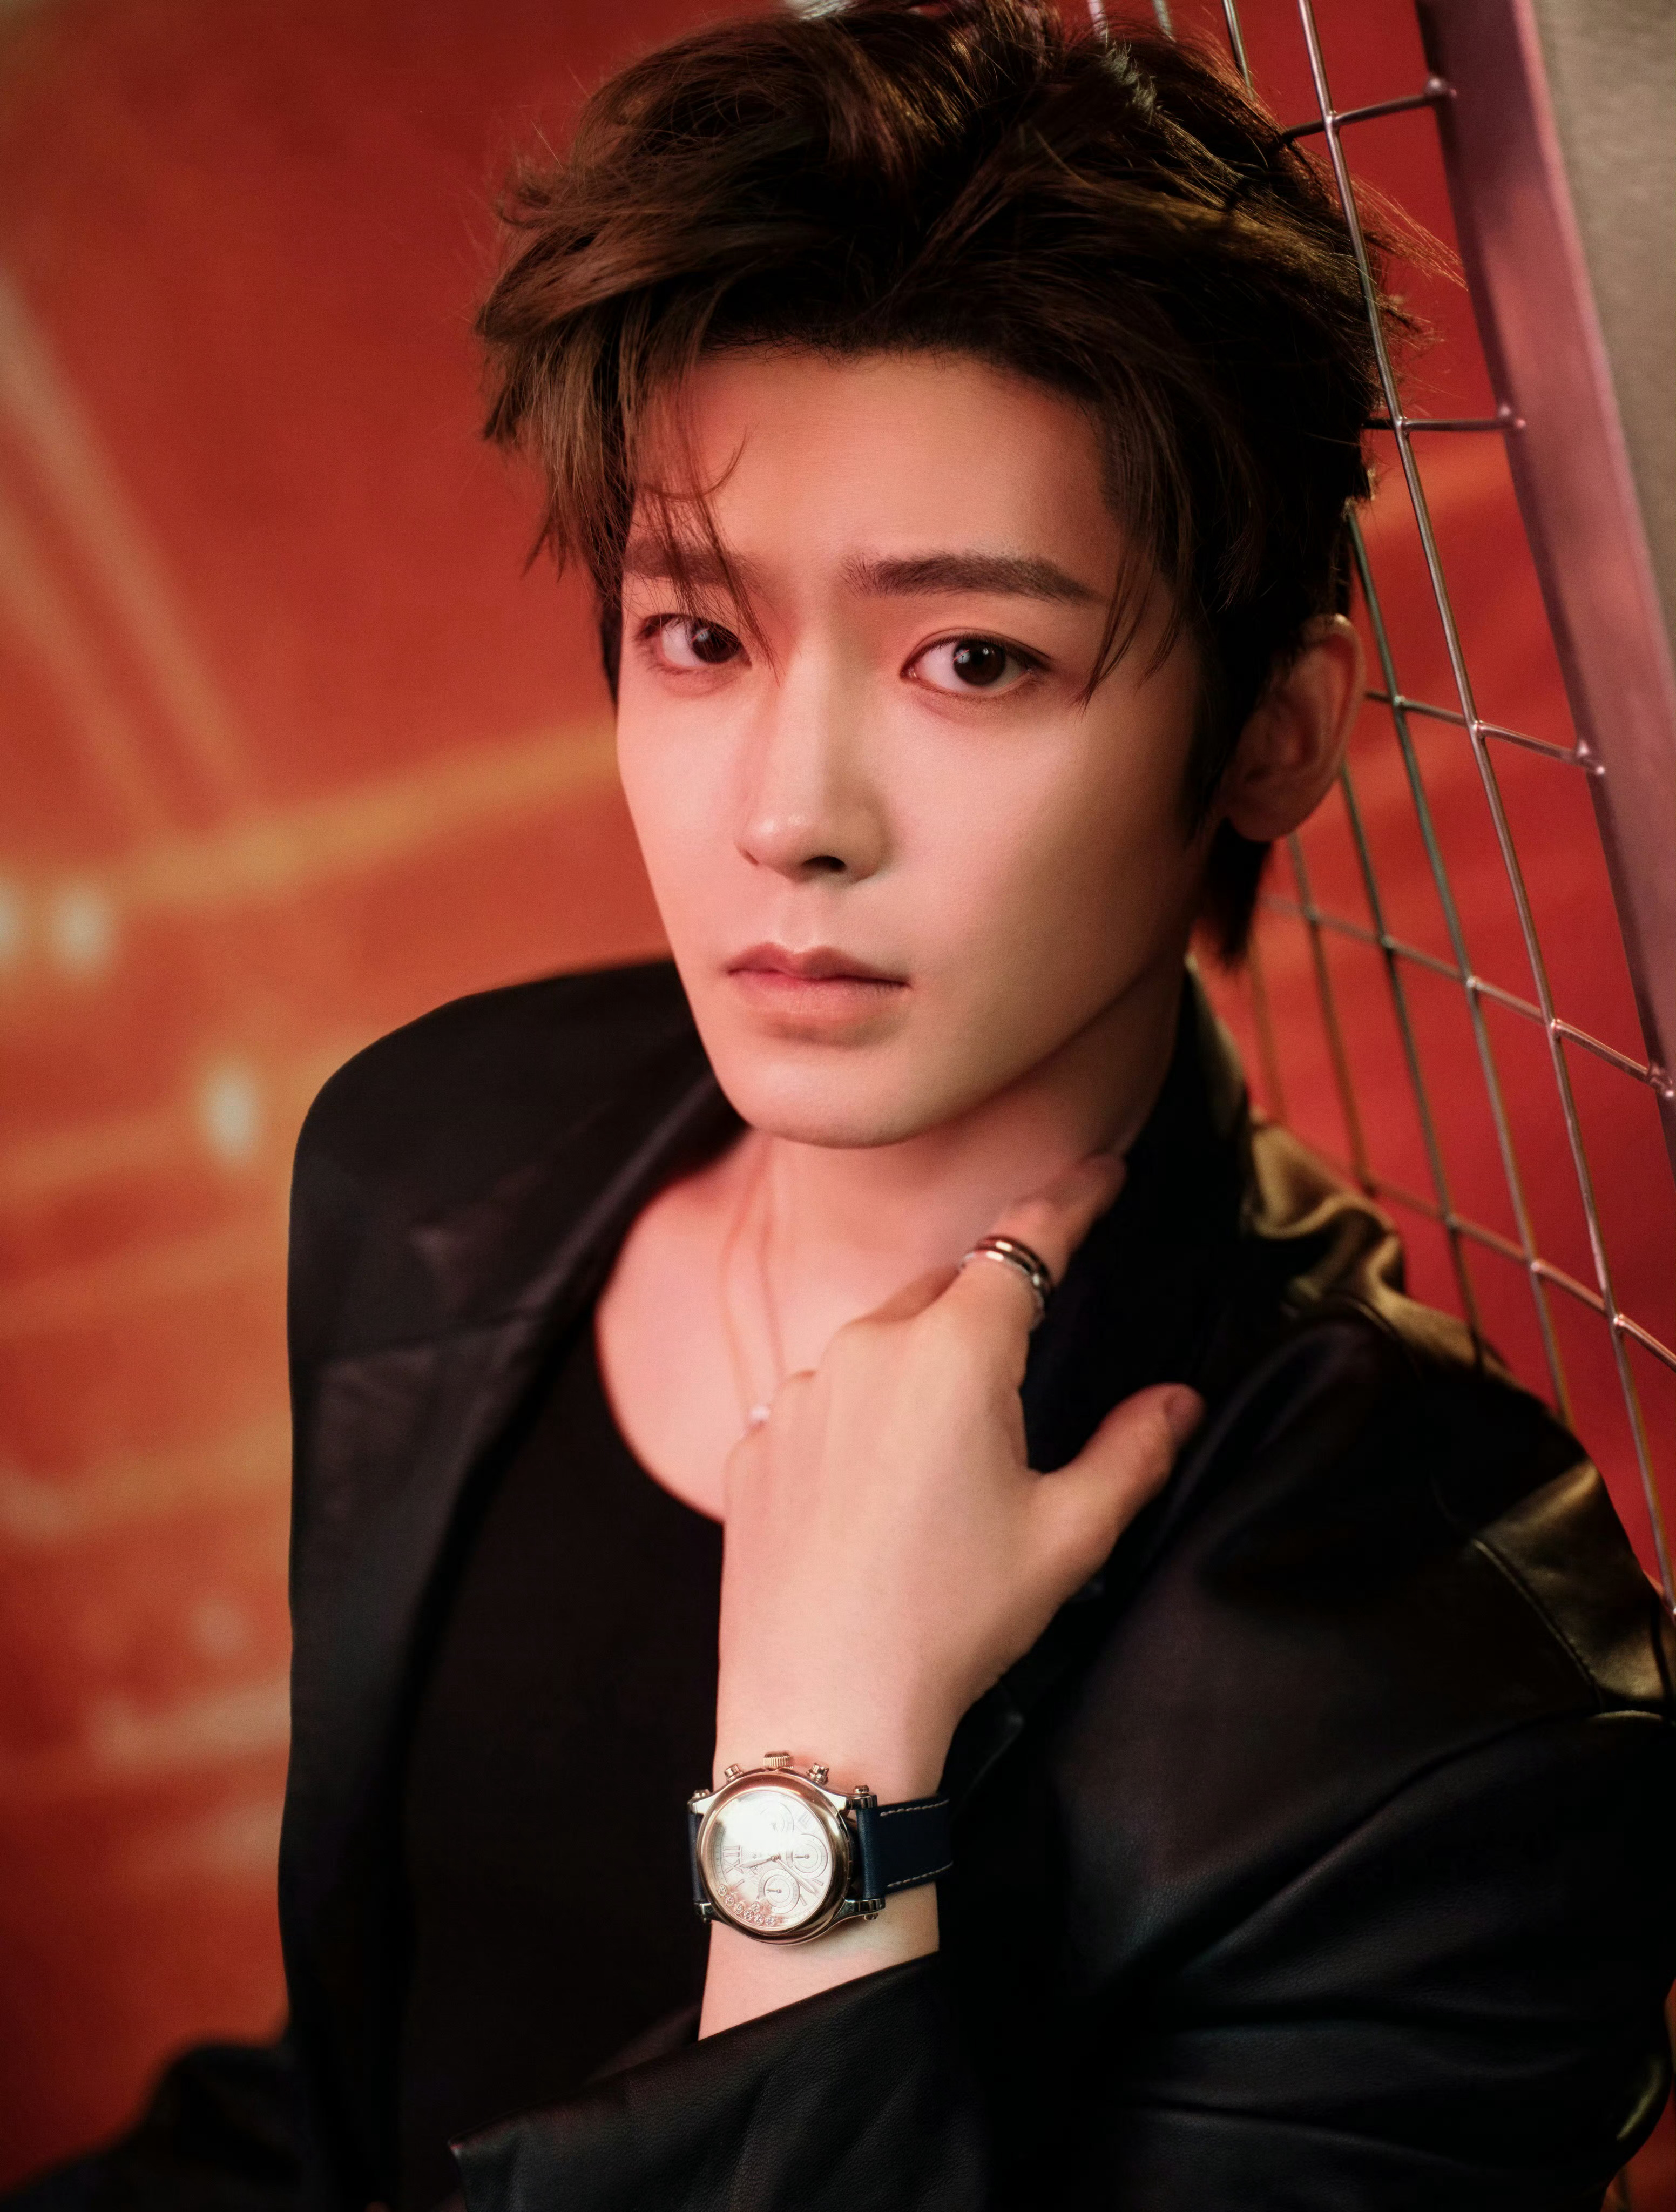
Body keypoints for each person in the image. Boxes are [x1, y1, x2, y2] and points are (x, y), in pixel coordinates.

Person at [15, 4, 1674, 2208]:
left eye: (970, 659)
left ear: (1273, 733)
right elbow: (362, 2098)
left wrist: (825, 1809)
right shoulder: (435, 1151)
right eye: (700, 637)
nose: (788, 815)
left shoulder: (1447, 1694)